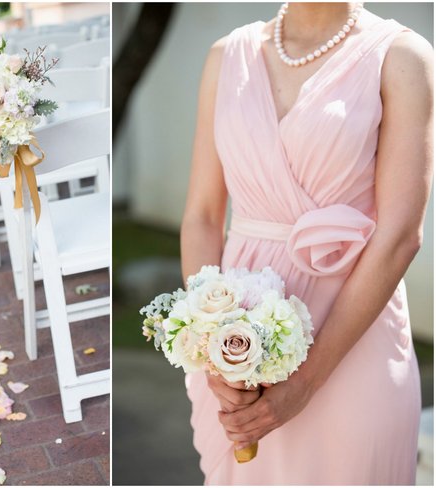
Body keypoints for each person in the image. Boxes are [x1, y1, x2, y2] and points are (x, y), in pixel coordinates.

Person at [180, 2, 433, 484]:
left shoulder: (402, 57)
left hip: (353, 343)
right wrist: (212, 345)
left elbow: (401, 236)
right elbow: (201, 217)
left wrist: (305, 382)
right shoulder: (225, 56)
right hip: (238, 350)